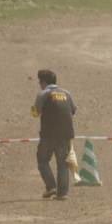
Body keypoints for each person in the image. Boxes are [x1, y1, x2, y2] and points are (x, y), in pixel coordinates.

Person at [30, 69, 77, 200]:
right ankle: (63, 194)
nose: (40, 84)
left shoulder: (43, 94)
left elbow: (36, 113)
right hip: (66, 134)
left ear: (44, 82)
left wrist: (32, 109)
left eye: (40, 82)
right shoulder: (66, 93)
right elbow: (73, 110)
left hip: (48, 134)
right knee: (62, 163)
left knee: (43, 160)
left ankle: (50, 187)